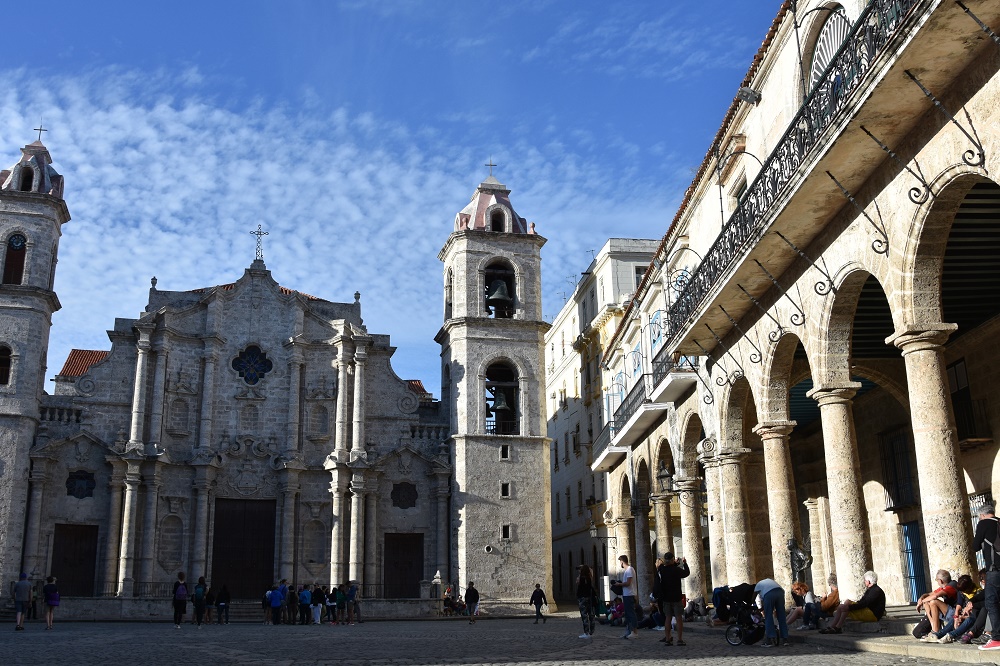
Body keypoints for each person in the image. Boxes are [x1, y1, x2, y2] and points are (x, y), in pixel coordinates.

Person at [820, 570, 886, 634]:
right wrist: (850, 605)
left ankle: (837, 627)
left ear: (868, 582)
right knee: (845, 603)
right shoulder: (871, 589)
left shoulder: (876, 591)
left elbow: (865, 603)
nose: (864, 582)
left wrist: (850, 607)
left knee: (844, 607)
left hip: (873, 615)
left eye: (865, 580)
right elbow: (862, 601)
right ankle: (833, 626)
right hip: (868, 611)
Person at [972, 502, 1000, 651]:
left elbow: (975, 546)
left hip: (994, 570)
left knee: (991, 602)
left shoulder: (984, 524)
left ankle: (997, 638)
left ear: (982, 515)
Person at [656, 552, 690, 646]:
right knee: (678, 618)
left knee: (668, 618)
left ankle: (668, 639)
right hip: (676, 597)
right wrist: (684, 563)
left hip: (666, 598)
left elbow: (665, 567)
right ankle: (679, 639)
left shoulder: (661, 570)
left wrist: (674, 563)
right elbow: (686, 573)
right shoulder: (676, 570)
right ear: (672, 560)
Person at [754, 577, 789, 647]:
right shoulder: (770, 581)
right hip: (780, 592)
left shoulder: (758, 585)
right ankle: (785, 639)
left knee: (768, 616)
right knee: (781, 616)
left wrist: (759, 609)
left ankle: (769, 639)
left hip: (769, 594)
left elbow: (755, 598)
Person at [618, 554, 639, 639]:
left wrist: (619, 584)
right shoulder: (627, 571)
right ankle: (629, 631)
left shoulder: (630, 570)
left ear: (622, 562)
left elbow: (628, 583)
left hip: (630, 594)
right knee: (628, 614)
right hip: (626, 594)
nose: (620, 564)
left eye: (620, 562)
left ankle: (634, 632)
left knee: (631, 614)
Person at [576, 564, 596, 638]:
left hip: (582, 598)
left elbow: (577, 582)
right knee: (591, 615)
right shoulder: (589, 578)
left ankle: (586, 632)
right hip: (589, 598)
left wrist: (580, 574)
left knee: (584, 615)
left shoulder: (581, 578)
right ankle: (591, 631)